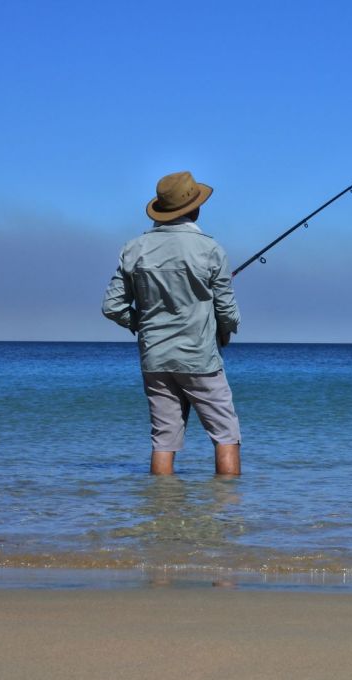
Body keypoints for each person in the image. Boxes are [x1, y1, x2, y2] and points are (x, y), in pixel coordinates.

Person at [102, 170, 242, 476]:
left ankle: (162, 513)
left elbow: (112, 306)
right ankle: (229, 516)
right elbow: (227, 311)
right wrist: (226, 331)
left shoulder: (134, 249)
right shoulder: (210, 250)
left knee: (163, 441)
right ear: (195, 207)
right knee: (226, 435)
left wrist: (142, 323)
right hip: (199, 357)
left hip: (155, 358)